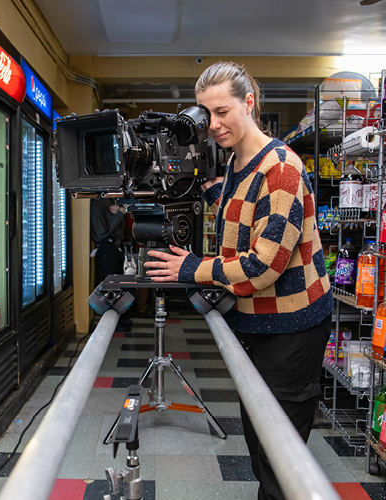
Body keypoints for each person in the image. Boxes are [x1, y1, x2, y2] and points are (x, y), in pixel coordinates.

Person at [144, 61, 333, 500]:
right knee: (259, 441)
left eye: (223, 111)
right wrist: (203, 190)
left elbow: (264, 265)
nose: (213, 124)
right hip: (255, 323)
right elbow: (239, 213)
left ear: (249, 103)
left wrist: (192, 268)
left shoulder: (281, 168)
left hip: (293, 326)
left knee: (279, 455)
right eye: (206, 114)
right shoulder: (235, 162)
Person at [90, 198, 134, 331]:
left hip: (115, 248)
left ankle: (120, 318)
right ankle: (113, 319)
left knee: (118, 285)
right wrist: (120, 214)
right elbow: (100, 234)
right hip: (107, 249)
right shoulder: (98, 204)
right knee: (110, 285)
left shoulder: (109, 202)